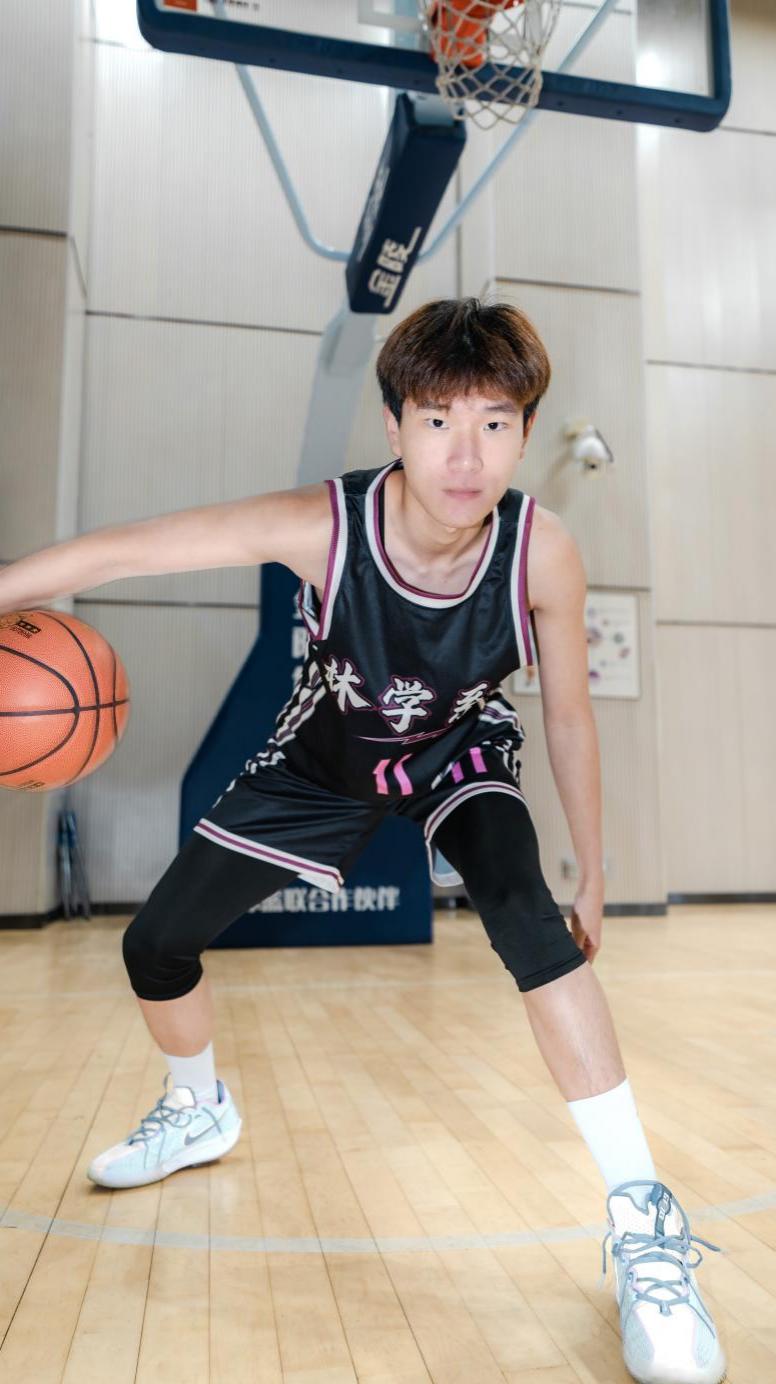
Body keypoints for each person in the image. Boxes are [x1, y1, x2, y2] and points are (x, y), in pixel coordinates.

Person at [0, 298, 725, 1384]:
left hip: (459, 749)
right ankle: (198, 1109)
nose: (465, 455)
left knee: (529, 922)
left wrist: (593, 868)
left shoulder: (542, 552)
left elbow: (569, 717)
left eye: (493, 423)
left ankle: (642, 1222)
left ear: (526, 431)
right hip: (322, 762)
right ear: (393, 426)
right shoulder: (322, 526)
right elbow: (131, 549)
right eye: (437, 421)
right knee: (153, 945)